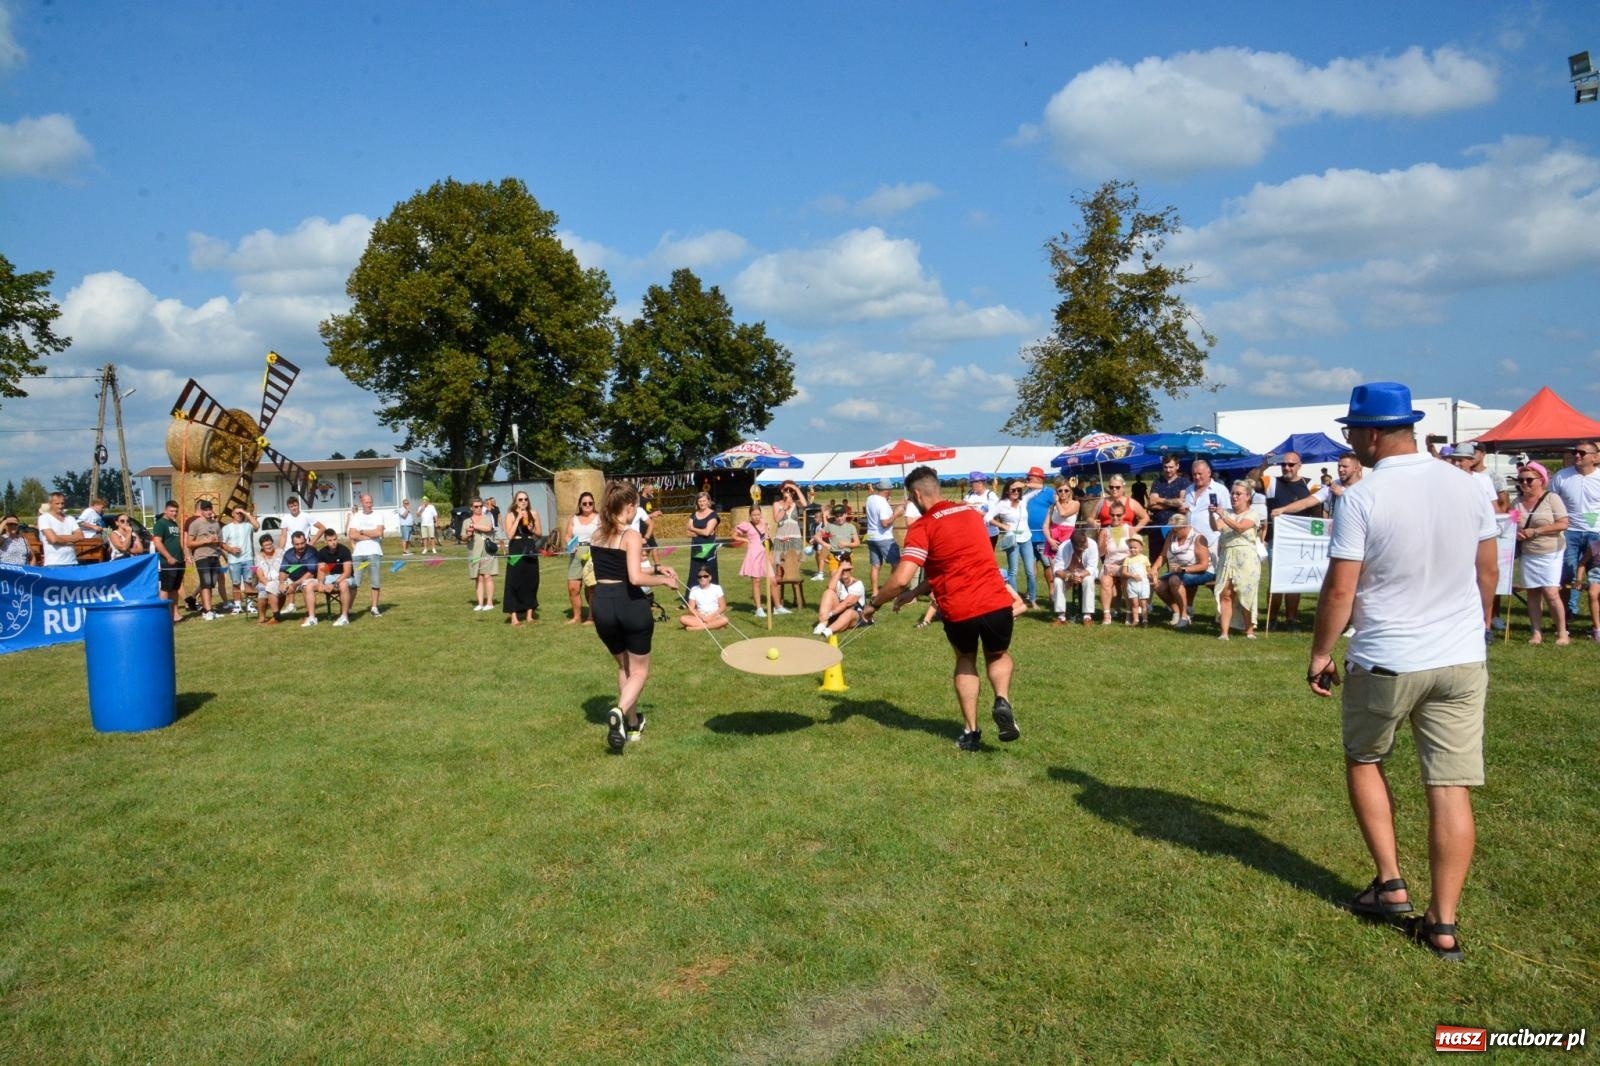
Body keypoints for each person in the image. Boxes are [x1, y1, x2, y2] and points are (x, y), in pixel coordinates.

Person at [1308, 381, 1498, 962]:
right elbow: (1486, 570)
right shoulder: (1467, 484)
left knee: (1364, 758)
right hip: (1461, 656)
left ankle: (1391, 882)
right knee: (1449, 786)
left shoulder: (1362, 495)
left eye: (1350, 432)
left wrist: (1319, 653)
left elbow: (1341, 586)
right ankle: (1442, 923)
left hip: (1388, 654)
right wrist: (1478, 629)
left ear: (1368, 433)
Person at [866, 465, 1020, 752]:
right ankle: (1001, 699)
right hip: (996, 602)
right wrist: (916, 591)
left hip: (959, 609)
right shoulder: (971, 514)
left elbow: (899, 578)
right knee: (997, 654)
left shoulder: (923, 527)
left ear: (915, 494)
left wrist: (873, 604)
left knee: (965, 659)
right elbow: (948, 565)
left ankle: (971, 732)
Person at [589, 481, 679, 753]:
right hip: (629, 604)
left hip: (602, 604)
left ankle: (631, 722)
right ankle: (618, 710)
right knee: (639, 670)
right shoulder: (631, 535)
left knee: (623, 667)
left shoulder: (596, 534)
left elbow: (619, 564)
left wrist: (658, 567)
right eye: (635, 508)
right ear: (628, 507)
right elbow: (635, 577)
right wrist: (665, 582)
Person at [1510, 462, 1569, 645]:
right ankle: (1536, 632)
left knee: (1551, 592)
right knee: (1533, 592)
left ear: (1541, 480)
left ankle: (1562, 633)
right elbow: (1511, 525)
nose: (1525, 483)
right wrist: (1516, 534)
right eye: (1521, 480)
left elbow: (1563, 523)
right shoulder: (1516, 502)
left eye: (1529, 480)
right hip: (1529, 552)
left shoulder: (1552, 498)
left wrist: (1536, 531)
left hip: (1551, 551)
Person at [1263, 452, 1316, 630]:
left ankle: (1291, 620)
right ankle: (1272, 619)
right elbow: (1250, 480)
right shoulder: (1272, 482)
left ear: (1299, 465)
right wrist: (1264, 463)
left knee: (1295, 582)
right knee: (1275, 582)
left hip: (1299, 542)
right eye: (1283, 464)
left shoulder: (1310, 485)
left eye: (1291, 465)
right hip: (1276, 541)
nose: (1287, 468)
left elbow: (1318, 513)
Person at [1551, 440, 1600, 621]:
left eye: (1581, 453)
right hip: (1569, 532)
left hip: (1596, 533)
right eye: (1574, 452)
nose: (1576, 455)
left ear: (1594, 458)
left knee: (1597, 578)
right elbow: (1551, 502)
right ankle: (1568, 613)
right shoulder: (1562, 476)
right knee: (1568, 574)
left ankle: (1596, 620)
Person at [1212, 480, 1261, 640]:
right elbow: (1215, 527)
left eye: (1238, 494)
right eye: (1233, 493)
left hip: (1246, 557)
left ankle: (1249, 630)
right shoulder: (1226, 512)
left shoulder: (1253, 514)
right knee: (1226, 593)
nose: (1234, 496)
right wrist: (1211, 513)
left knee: (1246, 593)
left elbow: (1240, 528)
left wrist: (1223, 515)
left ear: (1247, 496)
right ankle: (1224, 632)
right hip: (1227, 556)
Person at [1151, 514, 1211, 629]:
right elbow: (1163, 555)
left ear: (1184, 527)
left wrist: (1183, 569)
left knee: (1174, 580)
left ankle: (1184, 617)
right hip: (1179, 572)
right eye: (1172, 529)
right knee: (1157, 584)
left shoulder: (1198, 538)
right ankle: (1177, 612)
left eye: (1175, 530)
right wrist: (1154, 568)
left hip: (1202, 572)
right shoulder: (1171, 535)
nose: (1173, 532)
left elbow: (1204, 565)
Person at [732, 505, 785, 617]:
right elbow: (734, 535)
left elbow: (767, 539)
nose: (756, 517)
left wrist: (770, 554)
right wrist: (745, 539)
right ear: (750, 516)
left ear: (760, 514)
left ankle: (778, 607)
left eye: (758, 514)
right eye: (754, 515)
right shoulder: (746, 525)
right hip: (754, 555)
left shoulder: (764, 523)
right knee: (756, 581)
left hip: (764, 555)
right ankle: (759, 609)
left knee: (773, 581)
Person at [503, 491, 542, 626]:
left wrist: (531, 528)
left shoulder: (534, 513)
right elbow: (509, 535)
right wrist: (518, 518)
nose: (523, 501)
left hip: (530, 546)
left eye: (525, 499)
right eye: (520, 499)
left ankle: (529, 615)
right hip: (516, 547)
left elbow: (539, 534)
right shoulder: (510, 515)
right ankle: (514, 617)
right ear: (515, 502)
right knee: (514, 580)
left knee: (531, 579)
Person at [862, 478, 904, 599]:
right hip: (884, 537)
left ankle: (875, 592)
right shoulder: (883, 503)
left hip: (871, 536)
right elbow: (885, 523)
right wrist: (896, 513)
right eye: (890, 489)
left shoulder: (870, 498)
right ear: (887, 490)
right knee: (897, 565)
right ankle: (892, 591)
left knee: (875, 566)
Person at [183, 499, 224, 619]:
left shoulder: (215, 524)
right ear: (201, 511)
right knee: (205, 583)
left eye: (210, 509)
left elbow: (220, 541)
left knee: (211, 583)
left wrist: (217, 542)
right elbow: (189, 543)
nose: (208, 512)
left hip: (214, 555)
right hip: (202, 556)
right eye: (205, 510)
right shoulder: (195, 524)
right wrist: (205, 541)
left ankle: (208, 608)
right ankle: (207, 611)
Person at [1050, 524, 1098, 626]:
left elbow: (1092, 567)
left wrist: (1079, 576)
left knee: (1088, 580)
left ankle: (1087, 616)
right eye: (1081, 547)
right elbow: (1057, 569)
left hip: (1086, 573)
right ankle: (1061, 617)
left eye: (1085, 543)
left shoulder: (1092, 544)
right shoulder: (1064, 547)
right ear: (1073, 545)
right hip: (1068, 572)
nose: (1085, 546)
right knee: (1058, 581)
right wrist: (1069, 576)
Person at [1019, 467, 1053, 607]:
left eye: (1030, 477)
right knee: (1030, 565)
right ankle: (1030, 592)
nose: (1028, 480)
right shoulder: (1026, 493)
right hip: (1027, 536)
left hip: (1043, 536)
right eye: (1027, 478)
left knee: (1047, 565)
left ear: (1039, 479)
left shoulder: (1048, 492)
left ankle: (1052, 591)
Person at [1096, 501, 1134, 625]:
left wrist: (1126, 565)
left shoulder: (1129, 530)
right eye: (1112, 515)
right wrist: (1103, 544)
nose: (1115, 518)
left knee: (1126, 583)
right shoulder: (1105, 531)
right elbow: (1100, 553)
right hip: (1110, 565)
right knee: (1106, 582)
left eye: (1119, 515)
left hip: (1125, 565)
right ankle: (1106, 614)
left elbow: (1137, 551)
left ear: (1124, 515)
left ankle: (1129, 613)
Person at [565, 491, 601, 623]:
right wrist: (570, 545)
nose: (587, 505)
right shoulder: (573, 519)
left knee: (592, 587)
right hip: (576, 553)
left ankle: (591, 617)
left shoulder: (599, 518)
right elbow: (567, 535)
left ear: (593, 504)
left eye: (590, 503)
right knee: (573, 587)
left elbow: (604, 534)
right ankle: (576, 617)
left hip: (593, 552)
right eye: (584, 503)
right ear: (580, 505)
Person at [1145, 455, 1190, 559]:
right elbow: (1151, 503)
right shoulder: (1157, 482)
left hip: (1176, 527)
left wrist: (1160, 500)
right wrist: (1173, 504)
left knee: (1175, 559)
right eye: (1166, 467)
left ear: (1177, 466)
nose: (1168, 470)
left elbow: (1181, 502)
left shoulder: (1183, 482)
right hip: (1157, 527)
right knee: (1154, 559)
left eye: (1171, 467)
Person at [220, 506, 259, 615]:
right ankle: (237, 606)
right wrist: (231, 549)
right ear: (232, 514)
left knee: (249, 582)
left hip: (248, 559)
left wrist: (246, 513)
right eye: (237, 513)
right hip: (234, 560)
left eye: (241, 513)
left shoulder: (248, 526)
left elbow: (257, 526)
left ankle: (250, 605)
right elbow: (222, 543)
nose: (239, 515)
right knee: (236, 583)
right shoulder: (227, 528)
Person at [813, 556, 866, 636]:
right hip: (839, 612)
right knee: (828, 592)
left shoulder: (858, 584)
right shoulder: (838, 581)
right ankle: (822, 624)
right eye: (842, 569)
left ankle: (828, 631)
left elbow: (847, 603)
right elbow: (830, 588)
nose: (844, 572)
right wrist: (839, 569)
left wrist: (830, 614)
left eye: (847, 569)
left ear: (852, 570)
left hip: (854, 614)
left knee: (849, 612)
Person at [461, 498, 498, 613]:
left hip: (487, 551)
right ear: (471, 508)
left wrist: (475, 526)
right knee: (478, 578)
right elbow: (463, 538)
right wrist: (468, 534)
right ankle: (480, 603)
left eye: (480, 506)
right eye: (476, 506)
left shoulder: (487, 518)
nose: (478, 508)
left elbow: (488, 528)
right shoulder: (466, 521)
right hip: (474, 551)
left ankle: (490, 602)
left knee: (487, 576)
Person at [151, 501, 185, 620]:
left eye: (176, 511)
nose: (174, 513)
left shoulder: (174, 524)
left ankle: (174, 613)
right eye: (171, 511)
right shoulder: (161, 524)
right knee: (166, 588)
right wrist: (168, 557)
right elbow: (157, 542)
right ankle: (163, 615)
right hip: (168, 562)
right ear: (165, 510)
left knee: (175, 588)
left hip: (179, 560)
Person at [315, 528, 355, 626]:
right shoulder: (322, 552)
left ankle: (344, 617)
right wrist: (320, 583)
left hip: (346, 577)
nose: (333, 542)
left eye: (335, 539)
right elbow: (321, 571)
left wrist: (334, 584)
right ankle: (311, 617)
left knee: (343, 584)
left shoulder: (344, 550)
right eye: (330, 540)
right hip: (331, 576)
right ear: (325, 541)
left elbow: (347, 572)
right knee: (310, 585)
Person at [991, 481, 1026, 592]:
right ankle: (1014, 597)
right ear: (1007, 491)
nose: (1016, 492)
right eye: (1013, 490)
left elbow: (1041, 486)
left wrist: (1024, 485)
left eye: (1018, 490)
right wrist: (1001, 525)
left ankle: (1032, 598)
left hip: (1025, 537)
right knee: (1013, 571)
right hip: (1011, 538)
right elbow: (988, 517)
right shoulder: (1002, 504)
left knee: (1029, 570)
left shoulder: (1023, 501)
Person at [280, 530, 321, 623]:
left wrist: (295, 584)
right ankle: (275, 616)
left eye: (302, 543)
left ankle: (309, 615)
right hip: (292, 579)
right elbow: (283, 570)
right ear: (292, 544)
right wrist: (282, 583)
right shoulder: (288, 553)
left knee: (306, 586)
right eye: (297, 544)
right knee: (273, 588)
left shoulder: (312, 552)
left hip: (309, 578)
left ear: (306, 540)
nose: (300, 546)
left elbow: (311, 572)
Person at [686, 491, 721, 587]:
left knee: (709, 574)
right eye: (699, 501)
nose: (701, 503)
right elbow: (688, 532)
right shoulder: (694, 514)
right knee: (694, 575)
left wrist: (693, 529)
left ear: (708, 501)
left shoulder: (713, 515)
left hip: (708, 550)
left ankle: (713, 598)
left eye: (704, 501)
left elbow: (707, 532)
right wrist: (699, 531)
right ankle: (691, 599)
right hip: (696, 549)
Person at [38, 492, 80, 566]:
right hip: (54, 563)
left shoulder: (70, 518)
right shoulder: (44, 518)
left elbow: (80, 536)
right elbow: (53, 539)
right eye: (57, 504)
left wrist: (58, 537)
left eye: (62, 503)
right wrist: (71, 541)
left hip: (72, 562)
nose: (60, 506)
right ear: (50, 504)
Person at [963, 471, 1000, 547]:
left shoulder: (991, 496)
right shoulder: (969, 495)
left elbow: (995, 516)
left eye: (972, 483)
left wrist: (978, 513)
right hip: (974, 533)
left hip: (990, 533)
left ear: (980, 483)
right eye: (971, 483)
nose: (971, 486)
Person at [252, 533, 283, 624]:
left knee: (281, 591)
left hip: (279, 580)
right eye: (266, 545)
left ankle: (276, 615)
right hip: (264, 581)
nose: (269, 546)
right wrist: (268, 584)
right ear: (262, 546)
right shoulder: (258, 557)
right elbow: (260, 575)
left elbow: (286, 568)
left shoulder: (280, 553)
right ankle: (262, 617)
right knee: (262, 593)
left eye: (270, 544)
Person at [1123, 537, 1151, 626]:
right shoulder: (1127, 559)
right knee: (1134, 604)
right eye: (1131, 547)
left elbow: (1149, 569)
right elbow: (1124, 572)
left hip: (1143, 584)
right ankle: (1136, 619)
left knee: (1143, 603)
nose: (1132, 549)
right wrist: (1132, 575)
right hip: (1132, 584)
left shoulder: (1144, 558)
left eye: (1135, 548)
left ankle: (1145, 619)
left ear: (1141, 548)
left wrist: (1152, 576)